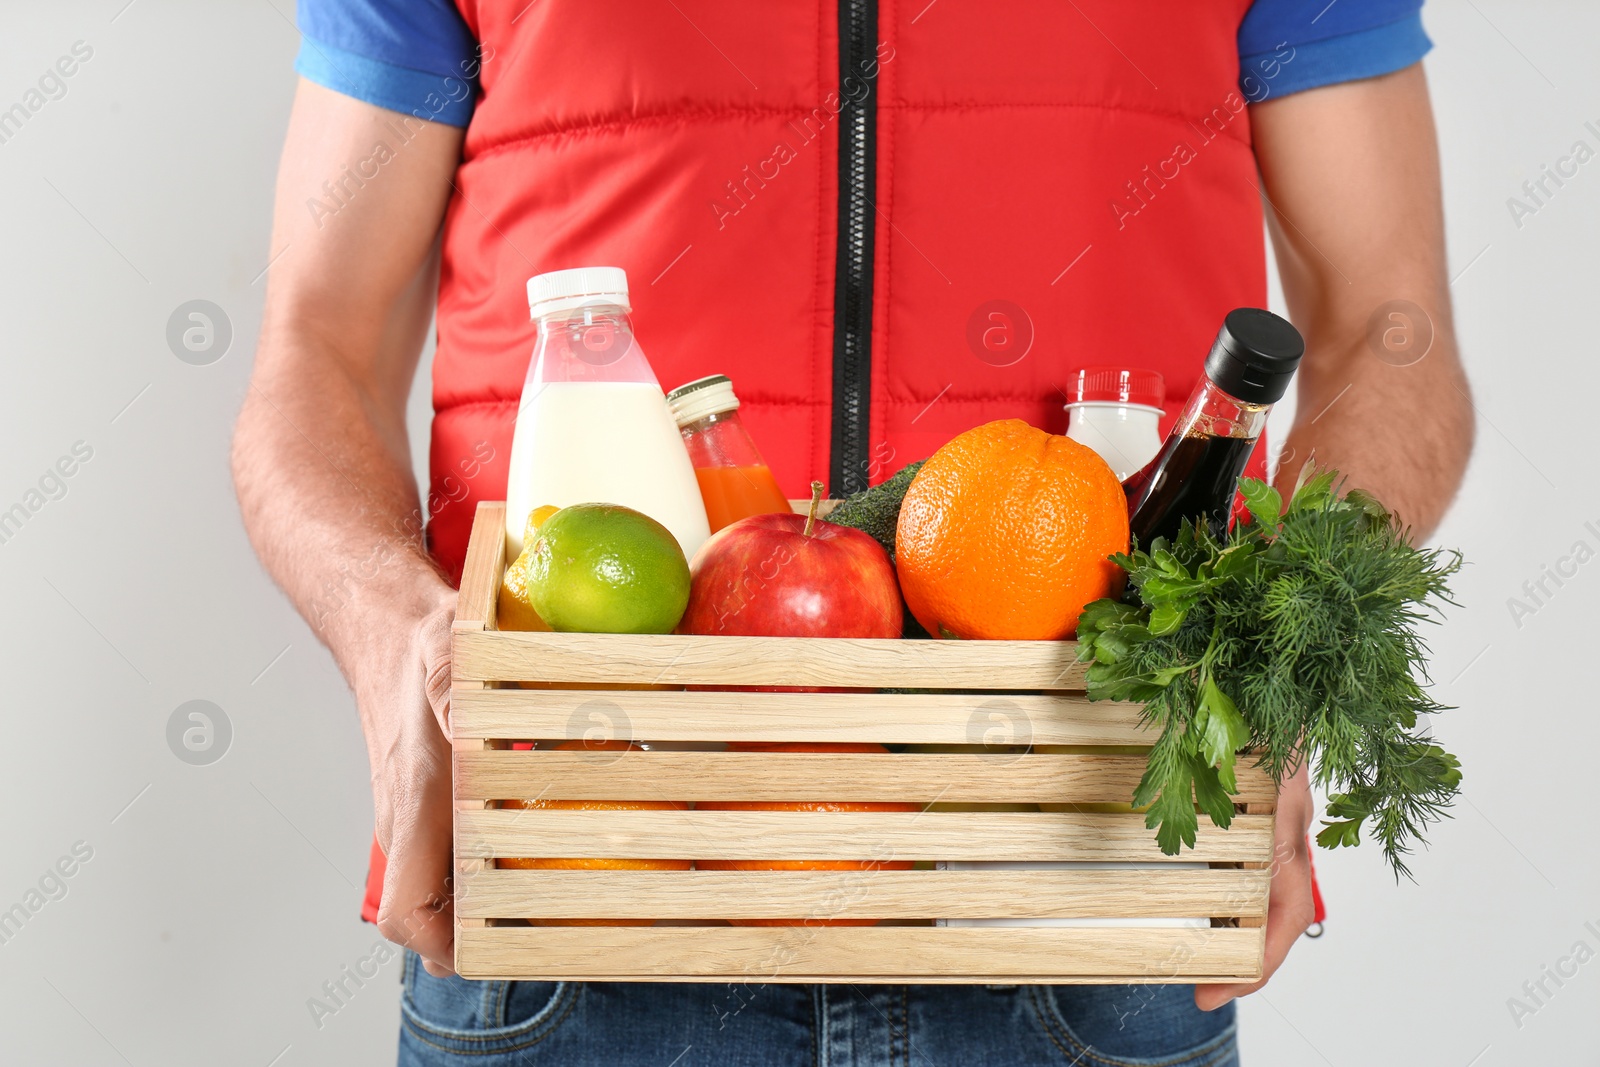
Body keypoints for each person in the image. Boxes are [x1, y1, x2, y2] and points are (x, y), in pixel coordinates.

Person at [232, 0, 1474, 1063]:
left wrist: (1290, 641)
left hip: (1087, 885)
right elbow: (316, 351)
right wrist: (401, 642)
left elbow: (1389, 331)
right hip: (583, 884)